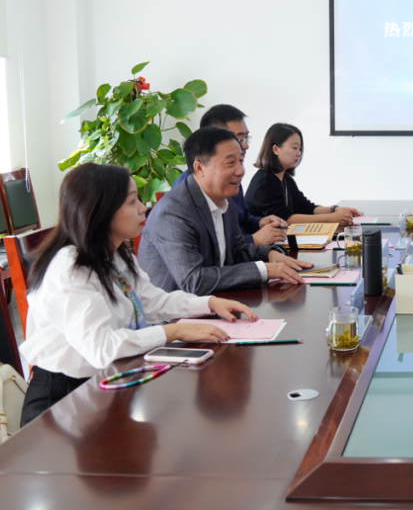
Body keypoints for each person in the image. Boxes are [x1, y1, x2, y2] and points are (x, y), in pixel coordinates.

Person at [18, 163, 259, 426]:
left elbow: (153, 302)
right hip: (63, 401)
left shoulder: (116, 255)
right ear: (101, 211)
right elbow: (102, 348)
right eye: (133, 201)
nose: (143, 208)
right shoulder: (69, 267)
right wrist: (175, 331)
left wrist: (210, 303)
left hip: (107, 381)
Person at [139, 127, 311, 294]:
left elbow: (237, 250)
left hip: (215, 300)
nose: (241, 171)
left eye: (240, 161)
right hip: (176, 310)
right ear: (199, 168)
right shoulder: (173, 212)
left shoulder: (224, 200)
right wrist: (264, 270)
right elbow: (194, 281)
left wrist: (271, 254)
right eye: (230, 163)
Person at [173, 104, 287, 247]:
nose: (245, 145)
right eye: (239, 139)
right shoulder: (188, 192)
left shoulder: (232, 176)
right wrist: (254, 240)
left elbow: (242, 220)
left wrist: (260, 222)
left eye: (246, 138)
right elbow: (210, 248)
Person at [245, 123, 361, 225]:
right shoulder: (264, 182)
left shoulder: (286, 179)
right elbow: (286, 219)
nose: (299, 153)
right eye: (295, 147)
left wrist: (335, 209)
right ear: (276, 149)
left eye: (300, 148)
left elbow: (306, 208)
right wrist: (331, 218)